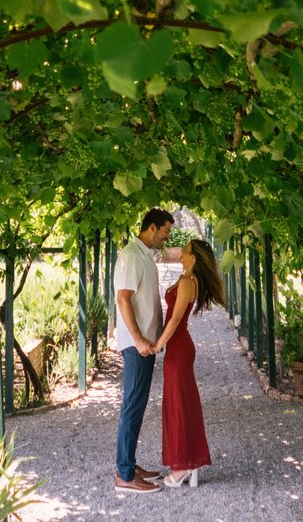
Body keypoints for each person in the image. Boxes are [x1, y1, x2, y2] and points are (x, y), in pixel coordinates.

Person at [153, 236, 226, 487]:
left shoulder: (186, 281)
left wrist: (158, 344)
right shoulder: (187, 279)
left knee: (179, 406)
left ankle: (183, 466)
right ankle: (187, 463)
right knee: (180, 404)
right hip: (179, 347)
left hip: (179, 348)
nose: (181, 254)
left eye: (184, 251)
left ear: (193, 258)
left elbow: (174, 320)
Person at [112, 208, 173, 493]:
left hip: (146, 345)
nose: (167, 237)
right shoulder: (132, 256)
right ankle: (125, 475)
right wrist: (137, 338)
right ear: (151, 228)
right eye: (165, 231)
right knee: (132, 405)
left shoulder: (144, 256)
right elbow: (123, 299)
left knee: (137, 405)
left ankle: (129, 464)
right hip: (138, 346)